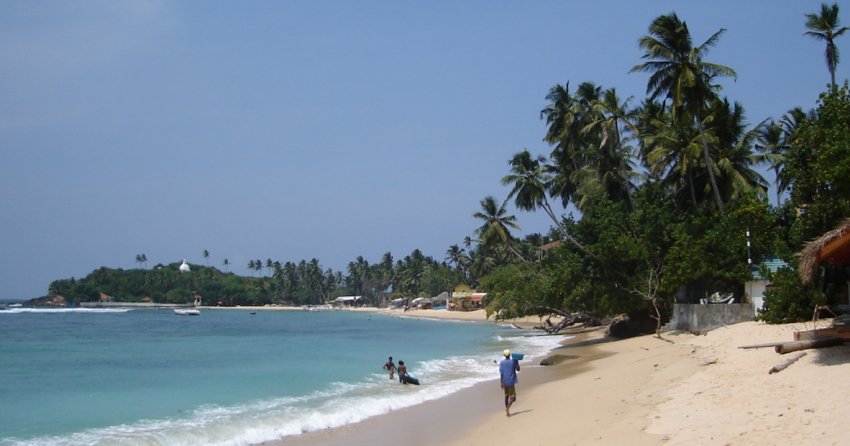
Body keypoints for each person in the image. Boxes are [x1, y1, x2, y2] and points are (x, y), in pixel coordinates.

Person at [499, 349, 520, 417]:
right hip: (511, 381)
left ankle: (507, 412)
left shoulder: (502, 362)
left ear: (504, 355)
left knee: (506, 396)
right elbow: (518, 369)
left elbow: (501, 373)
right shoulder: (513, 362)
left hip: (505, 381)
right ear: (509, 355)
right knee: (513, 398)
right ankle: (507, 408)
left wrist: (501, 382)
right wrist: (517, 361)